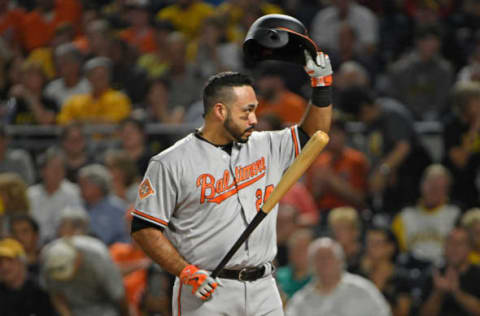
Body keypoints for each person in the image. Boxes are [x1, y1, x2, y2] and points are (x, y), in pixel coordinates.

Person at [131, 48, 333, 316]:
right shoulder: (171, 162)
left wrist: (321, 86)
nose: (254, 119)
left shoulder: (265, 145)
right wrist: (185, 271)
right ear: (219, 111)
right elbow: (144, 228)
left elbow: (315, 135)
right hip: (207, 288)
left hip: (263, 286)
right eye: (246, 111)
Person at [285, 237, 391, 316]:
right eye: (319, 258)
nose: (324, 262)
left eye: (329, 257)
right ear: (311, 264)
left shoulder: (363, 290)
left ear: (340, 261)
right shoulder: (300, 301)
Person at [41, 235, 129, 316]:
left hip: (104, 307)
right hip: (73, 308)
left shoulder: (99, 257)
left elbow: (119, 296)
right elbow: (56, 295)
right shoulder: (48, 260)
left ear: (77, 260)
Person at [392, 164, 460, 265]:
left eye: (439, 186)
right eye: (431, 184)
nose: (434, 190)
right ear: (421, 185)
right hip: (410, 270)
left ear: (447, 190)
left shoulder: (456, 215)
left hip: (445, 267)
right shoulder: (404, 216)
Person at [306, 118, 369, 211]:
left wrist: (332, 180)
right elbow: (310, 199)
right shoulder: (317, 161)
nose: (331, 138)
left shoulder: (356, 160)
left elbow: (361, 199)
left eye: (336, 133)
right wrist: (318, 187)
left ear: (344, 135)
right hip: (322, 212)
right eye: (328, 133)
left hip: (348, 212)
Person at [420, 227, 480, 316]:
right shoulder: (435, 275)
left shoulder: (478, 275)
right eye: (450, 243)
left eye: (459, 243)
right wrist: (438, 293)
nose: (454, 247)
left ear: (470, 248)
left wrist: (456, 292)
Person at [28, 146, 83, 243]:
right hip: (34, 244)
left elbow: (78, 223)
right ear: (43, 171)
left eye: (61, 168)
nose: (57, 172)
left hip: (64, 243)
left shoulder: (74, 192)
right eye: (53, 168)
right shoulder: (30, 194)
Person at [57, 56, 132, 125]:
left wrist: (81, 122)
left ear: (109, 77)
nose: (98, 77)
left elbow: (120, 120)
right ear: (88, 78)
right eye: (95, 74)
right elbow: (63, 120)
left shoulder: (119, 98)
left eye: (102, 75)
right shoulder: (75, 101)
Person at [359, 227, 412, 316]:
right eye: (369, 242)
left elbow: (402, 313)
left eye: (377, 243)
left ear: (390, 247)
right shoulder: (358, 274)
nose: (371, 247)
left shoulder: (400, 278)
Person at [0, 237, 57, 316]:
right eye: (0, 262)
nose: (4, 266)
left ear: (22, 262)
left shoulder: (40, 292)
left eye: (10, 260)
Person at [77, 164, 129, 245]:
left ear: (98, 186)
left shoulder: (117, 208)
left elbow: (125, 237)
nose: (80, 188)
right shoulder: (78, 206)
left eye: (84, 185)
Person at [276, 228, 314, 301]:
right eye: (294, 249)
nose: (298, 253)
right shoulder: (279, 276)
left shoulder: (319, 277)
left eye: (303, 249)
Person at [327, 206, 363, 273]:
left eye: (342, 228)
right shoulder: (331, 254)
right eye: (335, 228)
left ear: (355, 231)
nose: (337, 233)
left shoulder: (365, 257)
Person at [8, 214, 42, 281]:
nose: (19, 237)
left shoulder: (46, 261)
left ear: (36, 235)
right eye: (14, 233)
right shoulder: (5, 268)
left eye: (25, 231)